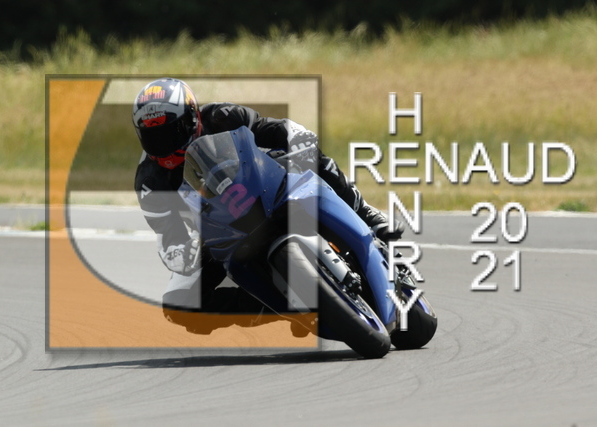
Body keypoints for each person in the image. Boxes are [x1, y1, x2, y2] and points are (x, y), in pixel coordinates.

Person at [132, 77, 403, 333]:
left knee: (312, 155)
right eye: (153, 137)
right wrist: (181, 253)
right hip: (216, 233)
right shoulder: (149, 182)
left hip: (265, 186)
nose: (164, 145)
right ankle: (281, 308)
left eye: (171, 132)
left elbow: (269, 128)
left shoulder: (222, 116)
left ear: (193, 118)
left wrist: (295, 135)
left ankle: (363, 211)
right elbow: (168, 233)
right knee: (179, 304)